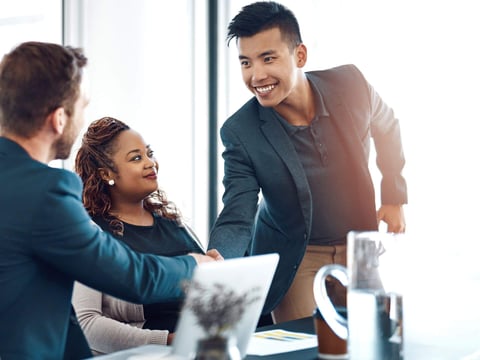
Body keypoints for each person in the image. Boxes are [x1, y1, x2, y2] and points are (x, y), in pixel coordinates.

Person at [0, 41, 222, 359]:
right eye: (82, 105)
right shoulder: (46, 192)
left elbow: (63, 316)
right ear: (59, 118)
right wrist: (195, 265)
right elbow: (133, 277)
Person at [208, 1, 407, 324]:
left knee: (373, 339)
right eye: (246, 62)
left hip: (359, 248)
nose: (256, 75)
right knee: (302, 347)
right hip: (296, 257)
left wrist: (394, 196)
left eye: (268, 58)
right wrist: (216, 260)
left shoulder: (351, 85)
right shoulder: (240, 131)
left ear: (299, 55)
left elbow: (388, 127)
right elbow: (237, 212)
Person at [72, 117, 206, 355]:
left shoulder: (173, 222)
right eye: (136, 158)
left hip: (203, 345)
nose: (150, 163)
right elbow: (87, 324)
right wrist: (169, 340)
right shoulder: (91, 232)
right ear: (106, 174)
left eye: (149, 153)